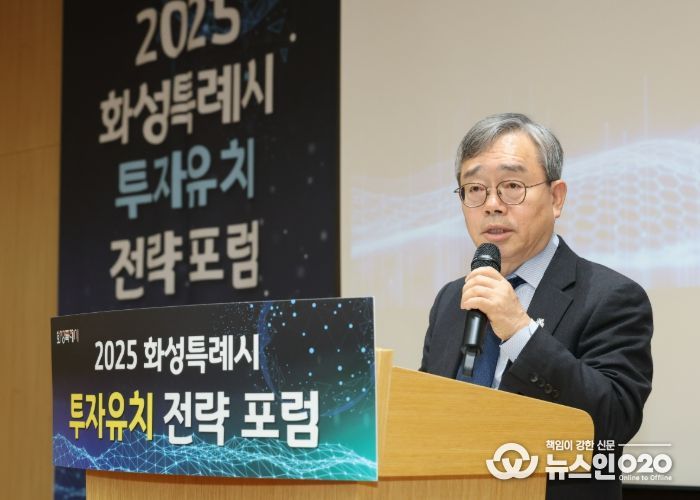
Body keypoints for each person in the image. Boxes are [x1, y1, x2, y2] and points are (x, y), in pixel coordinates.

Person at [419, 113, 653, 500]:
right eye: (475, 189)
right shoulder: (450, 298)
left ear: (556, 198)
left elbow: (613, 422)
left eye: (512, 186)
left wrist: (519, 331)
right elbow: (425, 417)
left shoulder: (612, 297)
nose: (492, 205)